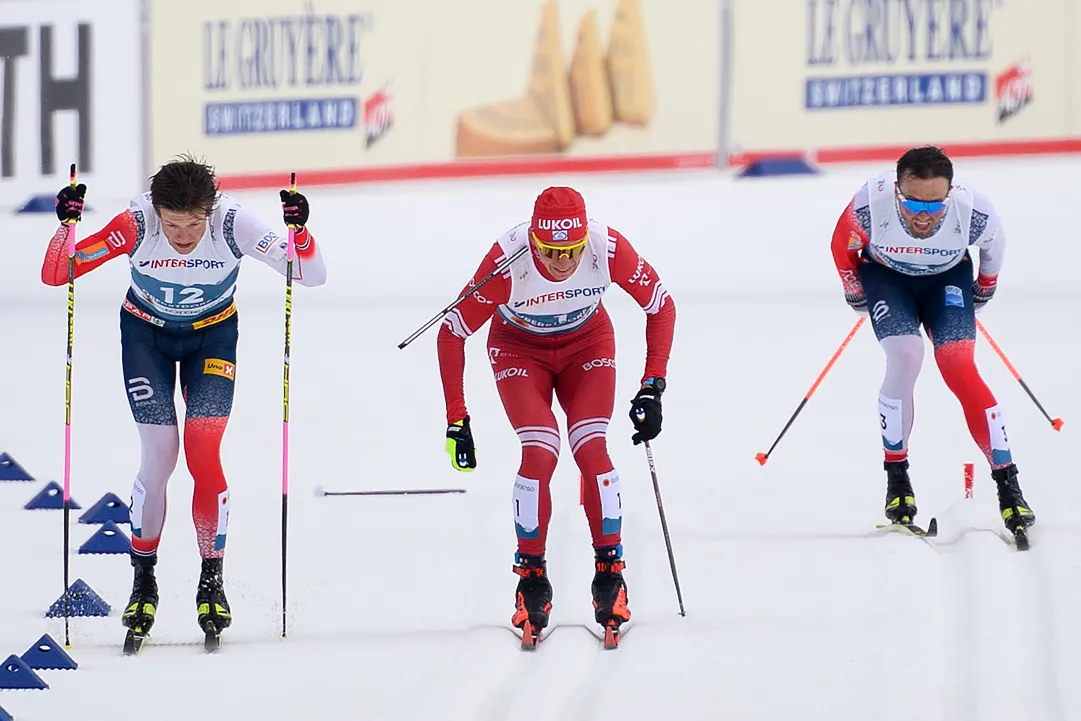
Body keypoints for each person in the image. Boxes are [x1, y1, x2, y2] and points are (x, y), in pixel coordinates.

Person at [40, 155, 327, 643]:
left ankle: (211, 579)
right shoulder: (135, 223)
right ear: (157, 211)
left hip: (212, 340)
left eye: (195, 223)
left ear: (210, 211)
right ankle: (143, 578)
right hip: (145, 339)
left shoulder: (233, 221)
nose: (184, 235)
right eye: (173, 225)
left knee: (202, 449)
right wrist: (66, 227)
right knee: (160, 455)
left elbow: (310, 273)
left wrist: (301, 232)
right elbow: (58, 272)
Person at [436, 186, 676, 640]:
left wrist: (652, 387)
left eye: (571, 250)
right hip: (518, 349)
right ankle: (531, 579)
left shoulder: (607, 248)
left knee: (592, 450)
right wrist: (457, 418)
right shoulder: (507, 262)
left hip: (588, 344)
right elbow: (451, 332)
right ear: (532, 241)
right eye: (549, 251)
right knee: (541, 450)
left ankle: (610, 575)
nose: (562, 262)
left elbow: (661, 307)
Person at [830, 145, 1035, 536]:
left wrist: (986, 284)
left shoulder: (972, 209)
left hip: (946, 280)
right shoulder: (869, 203)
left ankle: (1009, 485)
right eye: (913, 204)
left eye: (934, 205)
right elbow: (841, 246)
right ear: (896, 190)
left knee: (959, 365)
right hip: (887, 278)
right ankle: (897, 479)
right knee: (906, 355)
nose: (923, 215)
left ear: (950, 192)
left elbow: (995, 245)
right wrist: (855, 289)